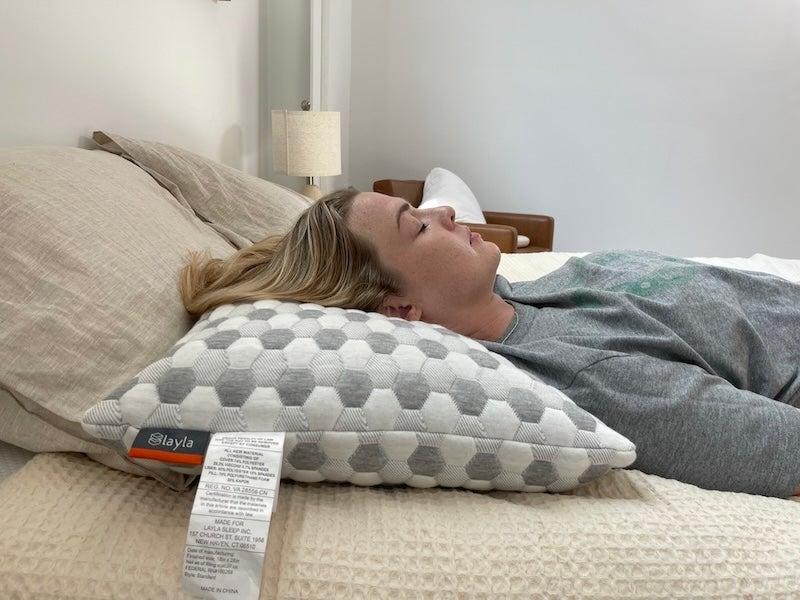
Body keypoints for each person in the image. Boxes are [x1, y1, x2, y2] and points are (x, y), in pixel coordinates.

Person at [181, 187, 800, 498]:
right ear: (400, 308)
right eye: (417, 227)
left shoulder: (527, 292)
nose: (446, 214)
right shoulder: (585, 378)